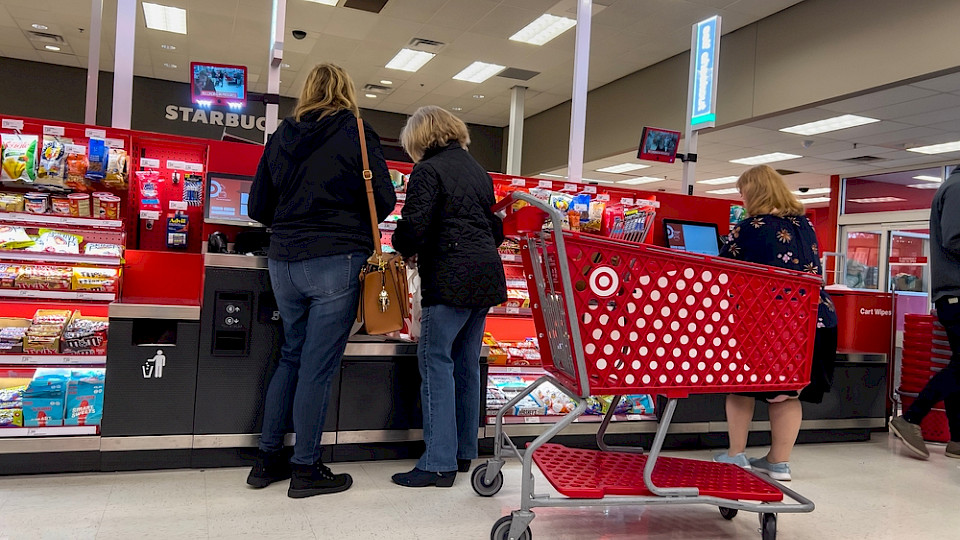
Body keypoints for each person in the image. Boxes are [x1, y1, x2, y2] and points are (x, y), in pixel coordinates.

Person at [245, 63, 396, 498]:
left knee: (291, 356)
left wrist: (295, 222)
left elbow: (258, 206)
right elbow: (382, 198)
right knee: (317, 366)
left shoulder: (281, 137)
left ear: (307, 91)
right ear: (346, 90)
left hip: (284, 260)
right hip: (338, 259)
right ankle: (306, 468)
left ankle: (266, 460)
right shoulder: (358, 131)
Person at [390, 106, 507, 488]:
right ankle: (461, 453)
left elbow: (414, 225)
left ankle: (437, 462)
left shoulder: (428, 169)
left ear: (420, 138)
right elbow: (494, 227)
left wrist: (401, 244)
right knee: (466, 366)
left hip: (450, 279)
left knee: (435, 362)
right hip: (484, 278)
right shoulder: (477, 169)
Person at [713, 165, 838, 481]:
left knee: (741, 386)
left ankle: (735, 455)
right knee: (787, 392)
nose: (741, 200)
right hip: (816, 320)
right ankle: (778, 462)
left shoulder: (750, 226)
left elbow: (722, 268)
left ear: (754, 192)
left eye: (743, 193)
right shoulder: (805, 225)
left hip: (769, 322)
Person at [890, 167, 960, 459]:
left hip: (953, 293)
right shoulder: (957, 189)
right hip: (957, 293)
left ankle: (957, 439)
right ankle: (911, 418)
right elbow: (955, 239)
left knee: (958, 366)